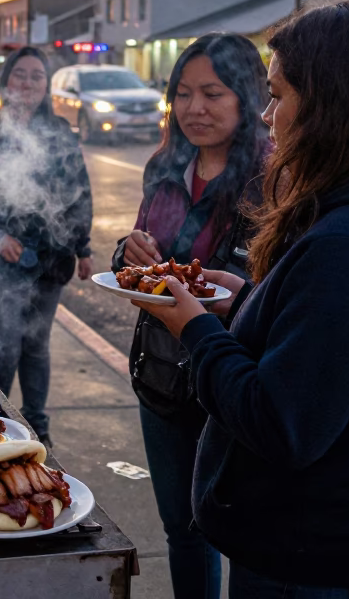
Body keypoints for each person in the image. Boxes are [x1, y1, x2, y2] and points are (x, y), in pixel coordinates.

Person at [133, 2, 349, 599]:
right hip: (325, 541)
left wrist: (195, 327)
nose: (269, 116)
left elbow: (281, 424)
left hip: (321, 559)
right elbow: (319, 345)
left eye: (277, 95)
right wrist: (247, 299)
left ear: (331, 103)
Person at [113, 33, 270, 599]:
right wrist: (126, 253)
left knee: (247, 537)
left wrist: (236, 292)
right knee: (182, 530)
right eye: (182, 94)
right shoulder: (165, 164)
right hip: (162, 376)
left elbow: (285, 291)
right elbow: (140, 252)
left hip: (235, 381)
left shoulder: (275, 177)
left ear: (249, 97)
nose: (194, 109)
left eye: (212, 93)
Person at [0, 46, 93, 448]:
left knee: (37, 345)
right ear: (6, 80)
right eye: (20, 75)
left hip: (52, 260)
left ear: (47, 86)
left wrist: (83, 247)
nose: (28, 83)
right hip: (2, 263)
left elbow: (79, 192)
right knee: (3, 346)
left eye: (37, 77)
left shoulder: (61, 132)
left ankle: (37, 424)